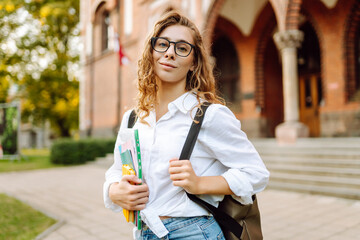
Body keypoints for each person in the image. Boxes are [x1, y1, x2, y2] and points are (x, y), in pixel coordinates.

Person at [103, 11, 269, 240]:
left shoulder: (208, 115)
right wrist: (114, 191)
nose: (170, 53)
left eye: (182, 48)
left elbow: (256, 174)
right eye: (162, 44)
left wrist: (201, 183)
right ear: (151, 52)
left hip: (194, 232)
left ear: (193, 62)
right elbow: (116, 170)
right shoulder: (133, 118)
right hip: (144, 232)